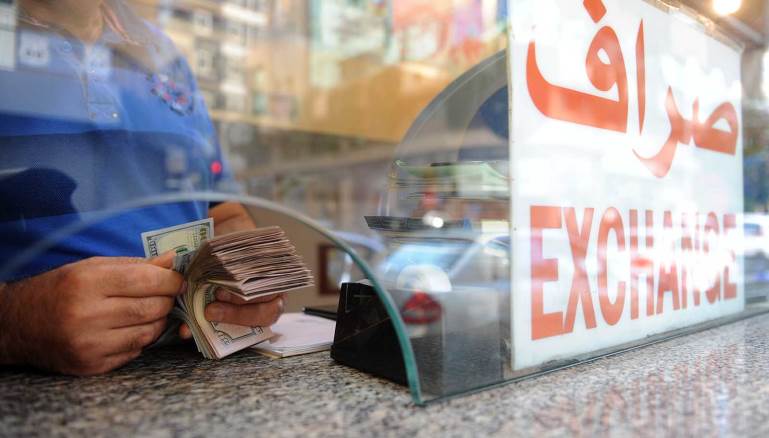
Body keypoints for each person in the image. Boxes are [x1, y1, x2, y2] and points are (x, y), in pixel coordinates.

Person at [0, 0, 283, 375]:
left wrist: (253, 278)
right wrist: (15, 322)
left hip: (193, 365)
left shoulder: (162, 52)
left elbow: (221, 210)